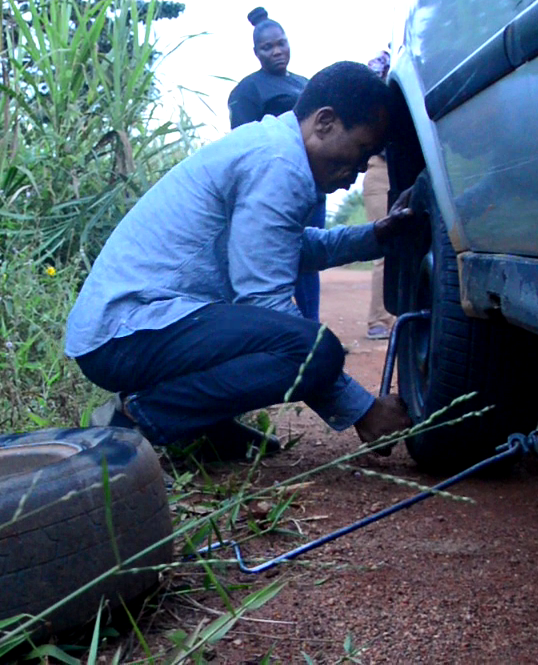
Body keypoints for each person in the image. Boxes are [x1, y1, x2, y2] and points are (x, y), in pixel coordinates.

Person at [67, 61, 416, 459]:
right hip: (127, 331)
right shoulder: (279, 164)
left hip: (129, 328)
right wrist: (363, 410)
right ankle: (136, 420)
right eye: (361, 151)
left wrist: (374, 236)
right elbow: (266, 302)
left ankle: (204, 427)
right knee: (311, 350)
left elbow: (284, 249)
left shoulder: (273, 148)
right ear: (324, 123)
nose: (356, 173)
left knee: (280, 338)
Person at [227, 7, 325, 323]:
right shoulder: (248, 90)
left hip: (314, 187)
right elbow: (244, 144)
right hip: (276, 190)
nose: (277, 51)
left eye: (281, 43)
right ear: (256, 52)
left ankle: (310, 329)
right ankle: (278, 331)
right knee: (277, 260)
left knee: (309, 259)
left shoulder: (307, 85)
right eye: (267, 47)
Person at [362, 50, 396, 340]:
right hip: (381, 167)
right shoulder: (382, 64)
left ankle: (401, 317)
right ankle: (379, 320)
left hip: (412, 168)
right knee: (384, 245)